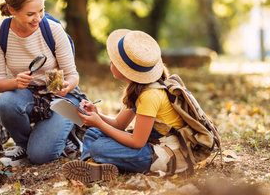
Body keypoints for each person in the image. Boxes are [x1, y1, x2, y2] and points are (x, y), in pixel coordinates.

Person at [62, 29, 186, 182]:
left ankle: (95, 163)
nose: (110, 62)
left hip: (163, 154)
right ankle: (92, 166)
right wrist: (97, 114)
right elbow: (119, 124)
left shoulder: (149, 95)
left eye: (114, 61)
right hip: (150, 143)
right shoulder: (138, 88)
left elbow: (137, 142)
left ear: (125, 70)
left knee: (99, 146)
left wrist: (99, 123)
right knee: (93, 133)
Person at [0, 0, 83, 167]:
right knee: (6, 101)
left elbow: (73, 75)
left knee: (40, 156)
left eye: (42, 10)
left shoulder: (53, 30)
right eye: (31, 13)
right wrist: (15, 83)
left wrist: (67, 85)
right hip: (26, 95)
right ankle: (23, 145)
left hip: (58, 97)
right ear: (12, 10)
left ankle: (63, 135)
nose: (38, 18)